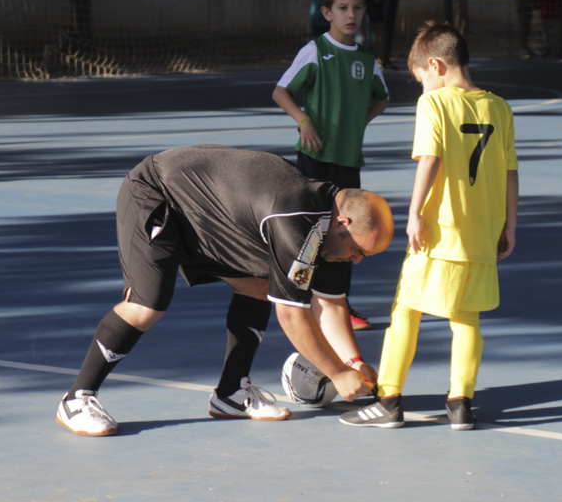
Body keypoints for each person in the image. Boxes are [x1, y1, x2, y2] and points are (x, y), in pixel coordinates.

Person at [55, 145, 394, 436]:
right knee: (147, 306)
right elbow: (291, 315)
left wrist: (354, 363)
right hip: (158, 192)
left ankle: (230, 393)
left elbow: (331, 303)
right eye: (360, 252)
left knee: (261, 287)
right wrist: (337, 373)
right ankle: (76, 399)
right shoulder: (297, 222)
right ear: (344, 223)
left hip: (209, 215)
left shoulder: (328, 221)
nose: (357, 261)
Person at [340, 22, 518, 431]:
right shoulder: (501, 107)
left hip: (441, 233)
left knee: (406, 311)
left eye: (422, 80)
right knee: (467, 319)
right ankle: (460, 403)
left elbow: (431, 159)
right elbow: (510, 172)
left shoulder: (434, 106)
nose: (422, 90)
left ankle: (389, 400)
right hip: (483, 231)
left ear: (435, 65)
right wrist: (511, 225)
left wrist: (416, 211)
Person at [273, 0, 390, 330]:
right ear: (327, 12)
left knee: (348, 234)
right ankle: (299, 299)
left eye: (357, 8)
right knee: (311, 230)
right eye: (342, 8)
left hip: (348, 161)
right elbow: (280, 92)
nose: (350, 14)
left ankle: (341, 305)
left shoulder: (368, 60)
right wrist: (304, 121)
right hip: (315, 158)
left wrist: (358, 124)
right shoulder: (315, 51)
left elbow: (382, 99)